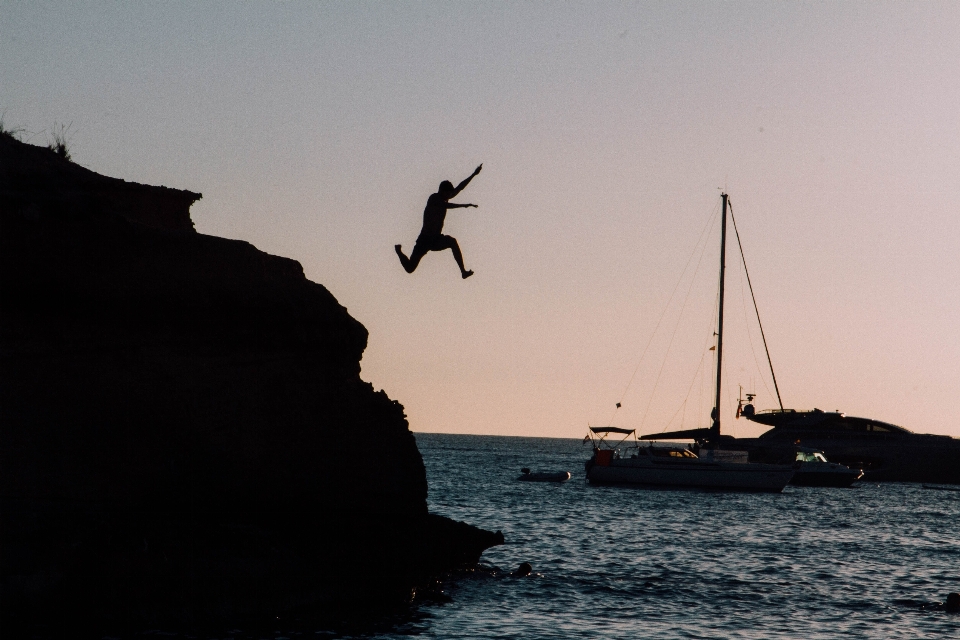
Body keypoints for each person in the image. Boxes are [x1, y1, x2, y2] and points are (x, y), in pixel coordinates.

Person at [396, 164, 482, 279]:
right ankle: (399, 251)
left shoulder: (445, 197)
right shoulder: (434, 198)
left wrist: (473, 175)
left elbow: (460, 188)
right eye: (447, 194)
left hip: (436, 239)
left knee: (452, 242)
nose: (449, 196)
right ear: (441, 191)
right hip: (424, 240)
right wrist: (464, 205)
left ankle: (463, 272)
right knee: (410, 268)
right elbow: (446, 205)